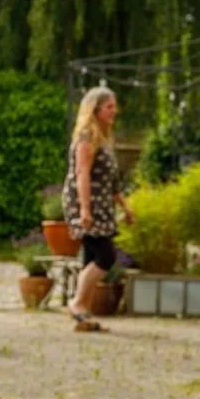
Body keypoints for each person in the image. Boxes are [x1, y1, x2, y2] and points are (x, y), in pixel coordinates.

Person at [63, 86, 133, 331]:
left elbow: (111, 182)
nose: (114, 111)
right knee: (105, 255)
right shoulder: (87, 137)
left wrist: (125, 207)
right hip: (86, 202)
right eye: (109, 107)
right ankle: (78, 303)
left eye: (114, 106)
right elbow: (82, 174)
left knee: (92, 257)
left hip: (102, 203)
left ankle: (84, 314)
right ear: (96, 109)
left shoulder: (103, 137)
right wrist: (84, 209)